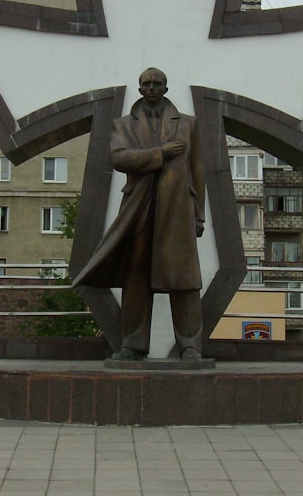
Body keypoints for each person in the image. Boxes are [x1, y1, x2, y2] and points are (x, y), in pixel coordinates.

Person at [73, 67, 205, 360]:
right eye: (146, 84)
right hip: (139, 209)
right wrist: (161, 153)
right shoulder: (124, 125)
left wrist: (199, 214)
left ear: (166, 89)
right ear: (139, 88)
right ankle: (133, 344)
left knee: (183, 278)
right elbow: (120, 158)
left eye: (157, 84)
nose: (151, 88)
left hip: (177, 209)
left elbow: (198, 170)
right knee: (136, 277)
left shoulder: (188, 124)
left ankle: (190, 345)